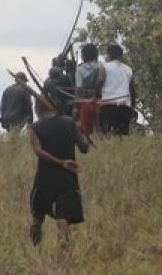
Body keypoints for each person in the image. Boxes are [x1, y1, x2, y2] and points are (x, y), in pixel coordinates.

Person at [28, 96, 90, 246]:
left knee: (37, 216)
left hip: (45, 176)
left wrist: (59, 162)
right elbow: (84, 148)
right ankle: (64, 252)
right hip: (67, 176)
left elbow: (38, 151)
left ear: (38, 108)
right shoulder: (70, 123)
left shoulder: (35, 127)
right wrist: (84, 133)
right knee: (63, 217)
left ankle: (36, 250)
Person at [98, 44, 136, 136]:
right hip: (125, 107)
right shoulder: (129, 69)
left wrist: (95, 96)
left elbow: (100, 81)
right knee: (121, 136)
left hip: (108, 107)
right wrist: (132, 106)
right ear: (121, 56)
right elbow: (133, 91)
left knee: (106, 134)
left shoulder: (105, 67)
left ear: (109, 55)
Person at [72, 44, 104, 138]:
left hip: (86, 103)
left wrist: (75, 106)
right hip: (102, 101)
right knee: (103, 131)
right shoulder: (101, 66)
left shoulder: (79, 69)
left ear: (84, 55)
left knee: (86, 132)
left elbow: (78, 89)